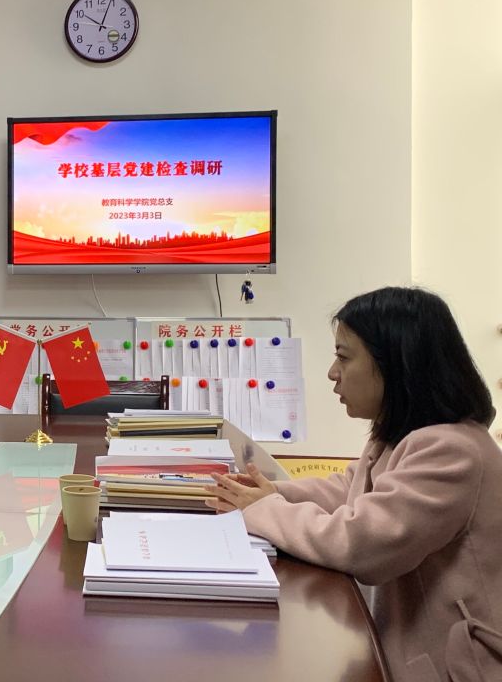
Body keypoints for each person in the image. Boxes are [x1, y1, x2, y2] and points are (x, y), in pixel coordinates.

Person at [207, 287, 502, 681]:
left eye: (344, 357)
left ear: (396, 364)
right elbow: (348, 490)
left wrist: (264, 509)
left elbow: (362, 543)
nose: (333, 372)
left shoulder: (453, 451)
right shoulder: (400, 436)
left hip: (459, 668)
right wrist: (273, 492)